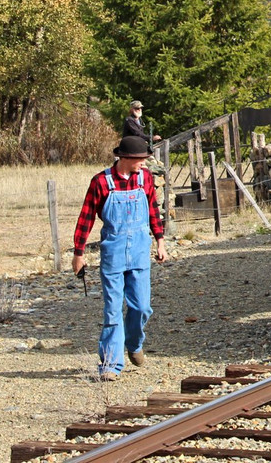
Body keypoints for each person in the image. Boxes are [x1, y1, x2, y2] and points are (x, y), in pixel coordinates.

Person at [72, 135, 167, 381]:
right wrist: (78, 253)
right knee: (112, 311)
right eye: (140, 159)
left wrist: (160, 241)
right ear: (124, 158)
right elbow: (86, 218)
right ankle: (111, 364)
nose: (144, 163)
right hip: (113, 254)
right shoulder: (101, 182)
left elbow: (153, 211)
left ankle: (134, 343)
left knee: (142, 307)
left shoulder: (145, 179)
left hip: (139, 252)